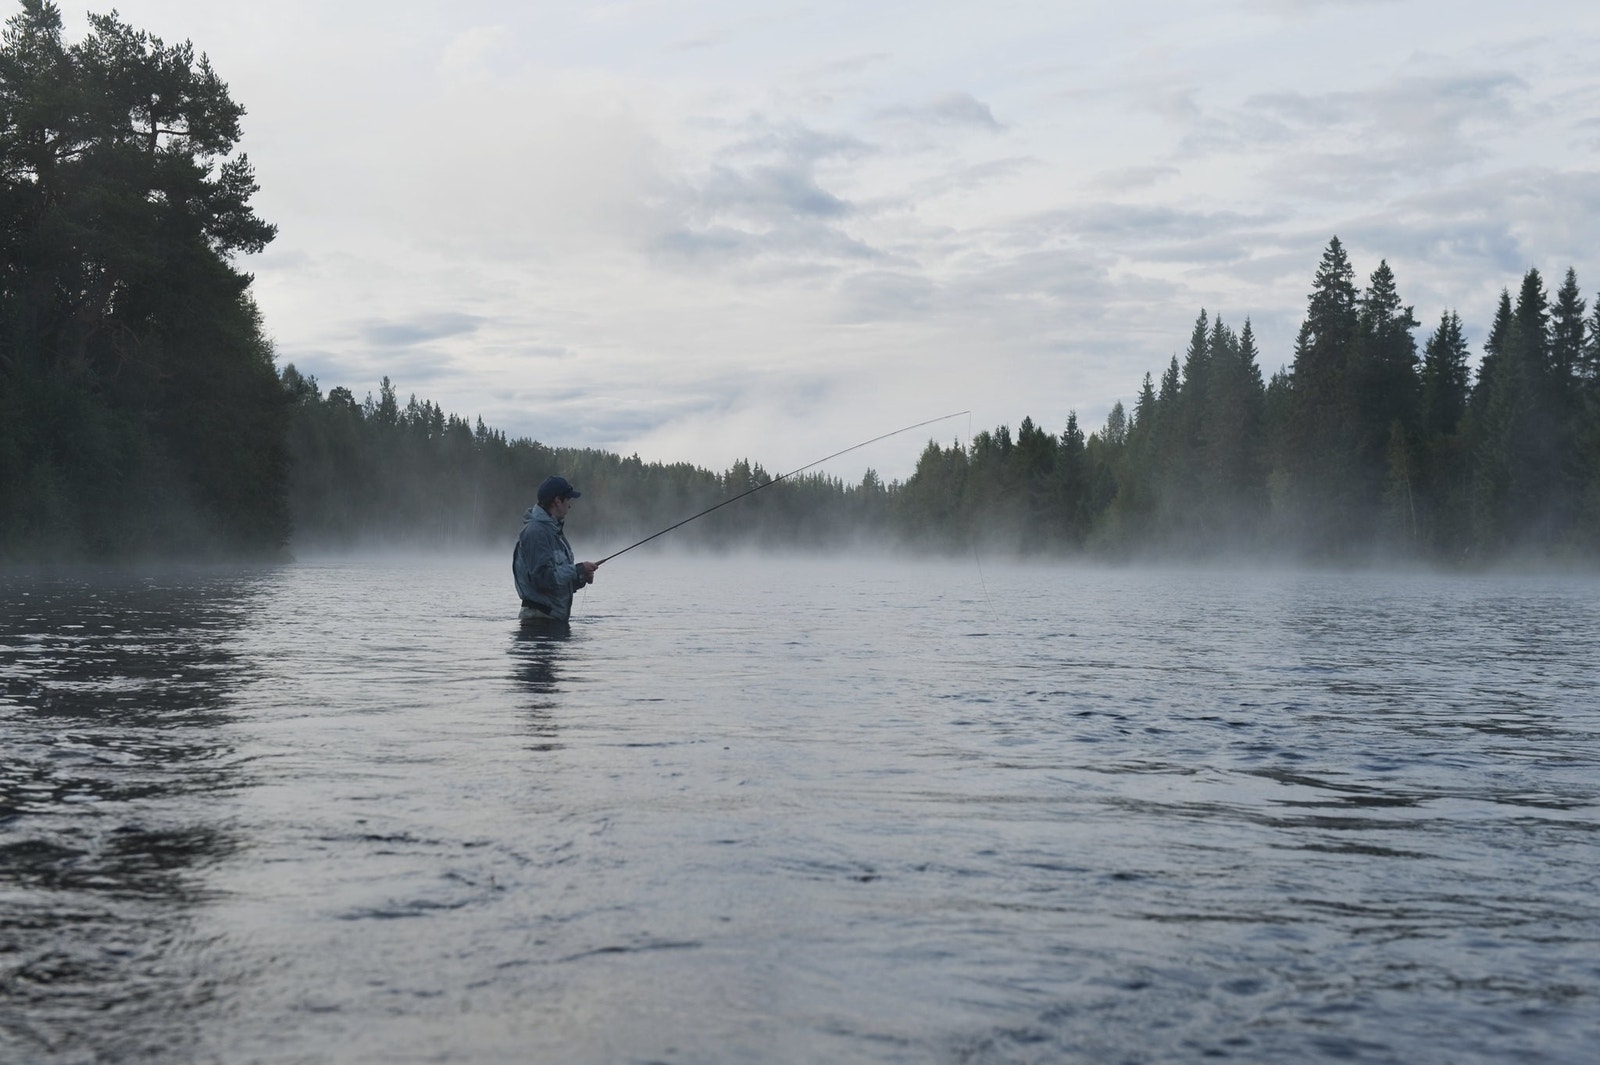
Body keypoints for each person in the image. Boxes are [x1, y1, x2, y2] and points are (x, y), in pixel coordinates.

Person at [513, 476, 598, 624]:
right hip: (538, 625)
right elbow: (543, 579)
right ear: (557, 501)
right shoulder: (536, 532)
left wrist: (581, 576)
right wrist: (577, 569)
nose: (569, 506)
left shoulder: (553, 532)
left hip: (549, 623)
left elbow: (556, 583)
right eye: (568, 500)